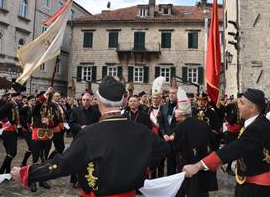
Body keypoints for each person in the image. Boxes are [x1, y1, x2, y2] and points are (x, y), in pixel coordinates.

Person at [10, 76, 169, 197]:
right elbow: (162, 148)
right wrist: (145, 168)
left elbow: (63, 164)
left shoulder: (89, 134)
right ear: (123, 100)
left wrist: (28, 173)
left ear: (98, 100)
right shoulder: (140, 131)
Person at [183, 88, 270, 197]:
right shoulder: (261, 122)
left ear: (252, 108)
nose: (238, 106)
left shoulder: (257, 128)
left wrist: (198, 165)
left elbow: (236, 147)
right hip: (253, 180)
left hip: (256, 187)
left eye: (241, 103)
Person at [174, 87, 218, 197]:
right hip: (204, 163)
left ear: (181, 113)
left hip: (188, 164)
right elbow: (214, 142)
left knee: (190, 189)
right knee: (203, 190)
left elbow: (176, 147)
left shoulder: (180, 127)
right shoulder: (203, 124)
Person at [68, 92, 101, 187]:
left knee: (90, 160)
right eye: (83, 100)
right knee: (75, 158)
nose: (85, 101)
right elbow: (71, 123)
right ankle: (75, 180)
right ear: (81, 100)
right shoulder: (75, 110)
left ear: (91, 101)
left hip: (91, 139)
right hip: (78, 137)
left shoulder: (96, 111)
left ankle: (88, 179)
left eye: (87, 100)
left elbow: (98, 124)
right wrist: (80, 127)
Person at [0, 92, 21, 174]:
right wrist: (7, 122)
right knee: (12, 152)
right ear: (13, 97)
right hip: (9, 131)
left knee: (9, 153)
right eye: (18, 97)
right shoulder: (9, 104)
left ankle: (7, 171)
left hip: (12, 130)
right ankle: (0, 171)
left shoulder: (15, 105)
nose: (20, 98)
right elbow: (0, 113)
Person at [159, 85, 178, 175]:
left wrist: (174, 134)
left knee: (176, 163)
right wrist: (164, 134)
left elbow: (181, 123)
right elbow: (161, 123)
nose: (171, 95)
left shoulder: (181, 107)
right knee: (168, 164)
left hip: (177, 139)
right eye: (170, 93)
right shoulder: (164, 107)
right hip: (166, 139)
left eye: (173, 93)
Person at [19, 95, 35, 167]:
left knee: (31, 147)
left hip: (32, 129)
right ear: (28, 101)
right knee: (32, 146)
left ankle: (23, 163)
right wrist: (26, 125)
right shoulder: (25, 108)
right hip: (26, 130)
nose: (33, 102)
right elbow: (20, 116)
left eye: (34, 100)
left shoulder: (33, 108)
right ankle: (24, 162)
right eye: (32, 100)